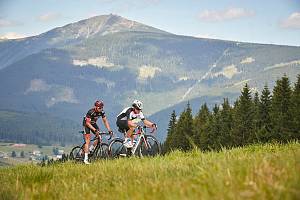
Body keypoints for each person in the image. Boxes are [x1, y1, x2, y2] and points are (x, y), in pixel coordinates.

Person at [82, 100, 113, 164]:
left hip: (93, 123)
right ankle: (85, 159)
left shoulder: (102, 112)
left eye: (102, 108)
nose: (101, 109)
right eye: (99, 108)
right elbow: (88, 123)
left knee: (99, 136)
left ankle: (91, 149)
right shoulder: (91, 112)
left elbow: (105, 121)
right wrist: (95, 130)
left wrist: (109, 130)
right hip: (86, 124)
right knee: (88, 140)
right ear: (95, 107)